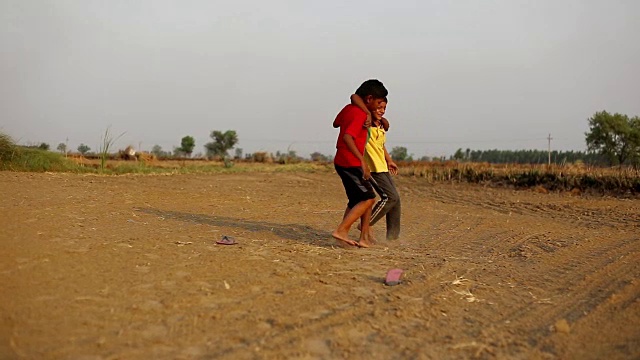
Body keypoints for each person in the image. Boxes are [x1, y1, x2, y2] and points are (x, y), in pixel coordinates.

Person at [332, 79, 388, 248]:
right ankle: (341, 230)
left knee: (359, 199)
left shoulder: (349, 109)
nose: (380, 109)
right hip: (350, 162)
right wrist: (363, 162)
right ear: (369, 99)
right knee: (369, 198)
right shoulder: (360, 114)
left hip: (343, 160)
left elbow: (336, 123)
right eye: (378, 104)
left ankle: (363, 237)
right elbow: (348, 137)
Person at [340, 95, 402, 240]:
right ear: (370, 104)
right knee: (389, 197)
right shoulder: (365, 123)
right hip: (372, 167)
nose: (382, 111)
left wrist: (389, 160)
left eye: (384, 108)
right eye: (379, 107)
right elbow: (354, 97)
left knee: (396, 200)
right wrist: (368, 113)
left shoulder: (380, 125)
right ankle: (366, 225)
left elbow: (380, 145)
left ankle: (393, 238)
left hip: (382, 166)